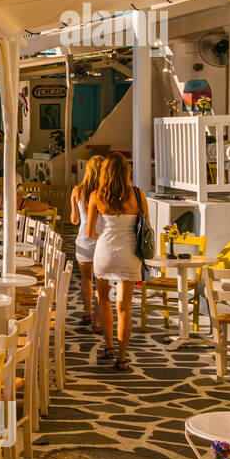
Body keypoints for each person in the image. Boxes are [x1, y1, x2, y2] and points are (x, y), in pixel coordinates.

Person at [87, 153, 148, 372]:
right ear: (126, 172)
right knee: (124, 307)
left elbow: (90, 232)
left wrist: (106, 236)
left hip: (105, 252)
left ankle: (109, 345)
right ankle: (122, 358)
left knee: (103, 300)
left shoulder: (96, 195)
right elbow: (144, 225)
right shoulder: (137, 195)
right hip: (129, 253)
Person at [71, 155, 106, 333]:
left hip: (84, 242)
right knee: (101, 282)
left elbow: (74, 220)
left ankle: (87, 313)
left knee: (86, 279)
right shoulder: (106, 192)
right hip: (103, 242)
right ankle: (98, 322)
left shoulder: (77, 190)